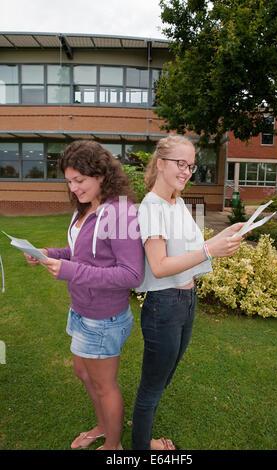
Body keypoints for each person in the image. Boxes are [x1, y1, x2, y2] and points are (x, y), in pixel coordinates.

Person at [24, 140, 144, 451]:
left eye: (79, 181)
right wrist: (48, 253)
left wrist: (69, 270)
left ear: (101, 175)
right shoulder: (86, 208)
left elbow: (132, 275)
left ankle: (113, 446)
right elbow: (81, 253)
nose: (74, 188)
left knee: (104, 386)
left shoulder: (121, 214)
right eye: (69, 182)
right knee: (82, 373)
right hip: (80, 309)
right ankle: (103, 425)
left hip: (104, 318)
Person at [132, 134, 245, 450]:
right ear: (160, 164)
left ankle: (143, 420)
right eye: (180, 163)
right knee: (152, 387)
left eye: (191, 166)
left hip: (186, 301)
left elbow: (195, 248)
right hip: (164, 306)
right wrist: (210, 250)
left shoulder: (178, 202)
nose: (187, 171)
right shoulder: (151, 207)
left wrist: (225, 236)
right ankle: (143, 445)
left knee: (164, 377)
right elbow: (159, 265)